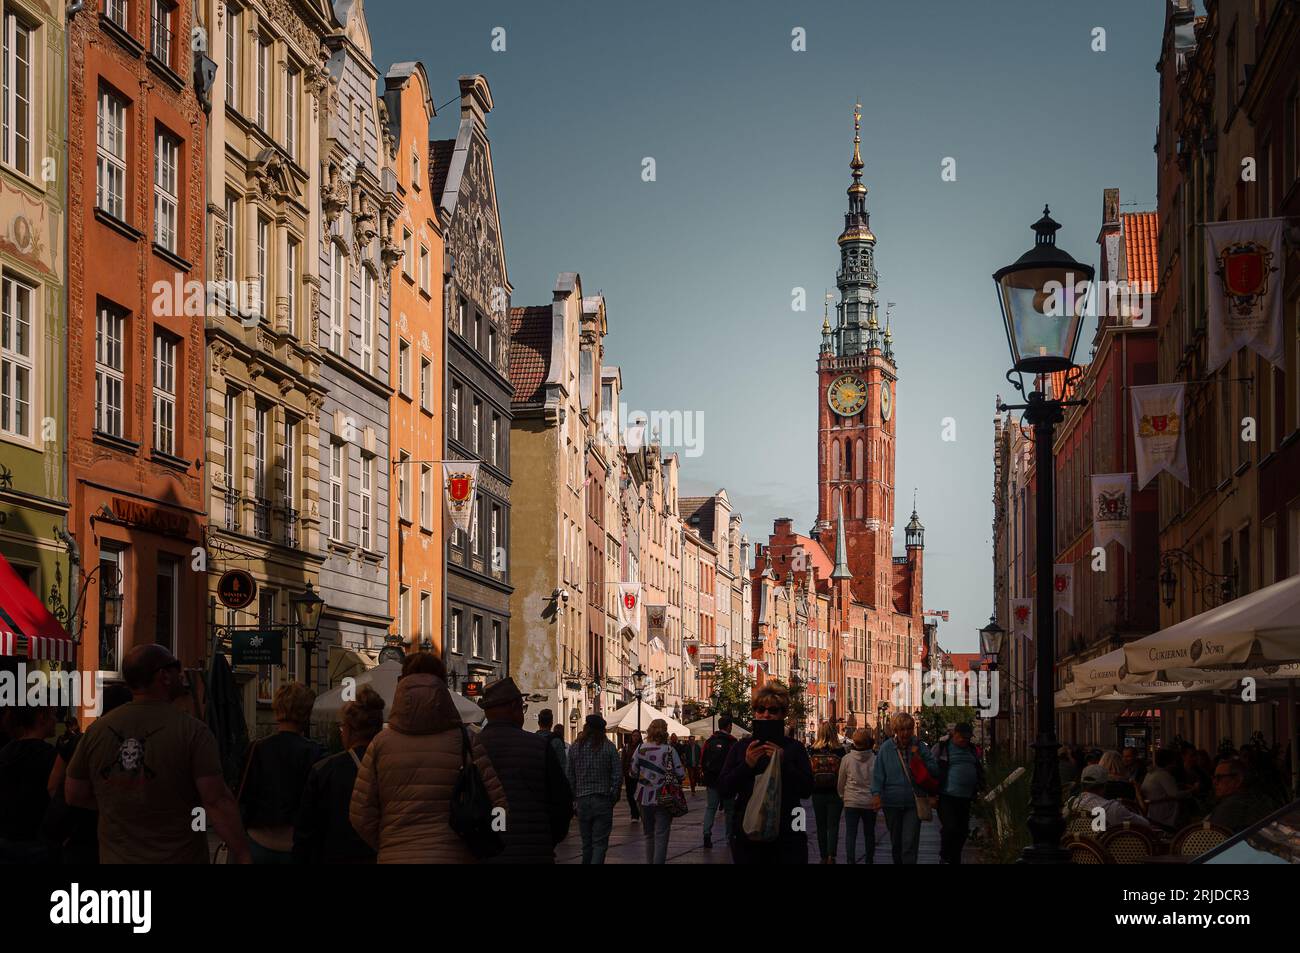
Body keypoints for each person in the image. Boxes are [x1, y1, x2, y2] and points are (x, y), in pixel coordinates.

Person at [65, 644, 251, 863]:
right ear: (163, 676)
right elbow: (216, 801)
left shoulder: (97, 731)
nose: (181, 674)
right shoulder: (192, 732)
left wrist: (118, 803)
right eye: (176, 667)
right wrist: (243, 853)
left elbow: (74, 794)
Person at [349, 651, 507, 863]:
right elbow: (499, 806)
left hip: (395, 856)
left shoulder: (380, 744)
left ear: (401, 682)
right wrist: (486, 839)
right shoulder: (466, 741)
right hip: (454, 855)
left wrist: (389, 842)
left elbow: (360, 813)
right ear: (443, 685)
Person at [476, 677, 572, 863]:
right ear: (513, 707)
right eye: (522, 707)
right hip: (534, 851)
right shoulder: (539, 746)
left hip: (487, 852)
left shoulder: (471, 748)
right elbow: (562, 802)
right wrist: (546, 839)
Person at [717, 684, 814, 864]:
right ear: (754, 712)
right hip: (749, 830)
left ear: (782, 714)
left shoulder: (794, 748)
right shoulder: (742, 747)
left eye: (773, 710)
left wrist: (784, 763)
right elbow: (724, 788)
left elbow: (806, 789)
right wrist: (746, 765)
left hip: (788, 829)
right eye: (760, 709)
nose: (766, 714)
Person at [41, 682, 134, 864]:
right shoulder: (129, 746)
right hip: (110, 835)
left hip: (76, 832)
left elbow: (53, 785)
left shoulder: (80, 741)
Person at [293, 686, 385, 864]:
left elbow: (306, 832)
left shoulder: (325, 770)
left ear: (349, 729)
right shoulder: (390, 767)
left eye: (342, 728)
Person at [238, 682, 325, 863]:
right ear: (306, 713)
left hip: (258, 840)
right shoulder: (315, 753)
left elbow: (243, 794)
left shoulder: (256, 749)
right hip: (297, 845)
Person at [871, 711, 939, 864]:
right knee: (896, 843)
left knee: (909, 843)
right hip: (891, 802)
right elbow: (878, 773)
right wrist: (876, 794)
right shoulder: (886, 748)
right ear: (896, 731)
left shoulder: (919, 747)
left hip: (914, 802)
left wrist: (920, 758)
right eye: (902, 730)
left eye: (909, 729)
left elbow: (934, 770)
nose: (906, 733)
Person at [0, 705, 58, 862]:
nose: (56, 720)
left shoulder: (5, 752)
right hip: (39, 840)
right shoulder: (51, 756)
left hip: (7, 838)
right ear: (41, 718)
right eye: (53, 715)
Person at [565, 714, 621, 864]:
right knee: (600, 844)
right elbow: (617, 775)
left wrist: (573, 798)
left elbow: (569, 775)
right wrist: (613, 797)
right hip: (602, 799)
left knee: (586, 844)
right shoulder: (609, 747)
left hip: (582, 800)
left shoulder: (575, 748)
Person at [629, 718, 685, 864]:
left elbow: (632, 772)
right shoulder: (669, 750)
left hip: (643, 796)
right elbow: (681, 774)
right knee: (661, 835)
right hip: (664, 796)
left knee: (648, 835)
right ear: (665, 731)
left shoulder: (640, 748)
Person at [934, 722, 984, 863]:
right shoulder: (943, 747)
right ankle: (945, 855)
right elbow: (931, 766)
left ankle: (955, 858)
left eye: (968, 738)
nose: (965, 740)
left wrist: (980, 788)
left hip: (966, 796)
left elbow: (978, 768)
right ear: (954, 734)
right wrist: (931, 793)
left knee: (962, 831)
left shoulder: (972, 749)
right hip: (947, 796)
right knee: (950, 827)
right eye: (963, 737)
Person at [809, 720, 846, 863]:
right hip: (835, 793)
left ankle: (823, 856)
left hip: (817, 792)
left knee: (821, 825)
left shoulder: (813, 750)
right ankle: (832, 855)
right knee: (833, 825)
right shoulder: (840, 750)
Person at [1072, 764, 1152, 831]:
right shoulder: (1113, 808)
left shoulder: (1071, 805)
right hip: (1112, 848)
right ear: (1105, 785)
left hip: (1083, 848)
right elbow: (1144, 824)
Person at [838, 728, 877, 864]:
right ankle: (869, 860)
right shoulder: (875, 759)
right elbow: (878, 782)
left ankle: (850, 860)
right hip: (869, 802)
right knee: (869, 834)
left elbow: (841, 781)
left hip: (851, 801)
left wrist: (843, 796)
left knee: (850, 834)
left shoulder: (847, 759)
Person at [1209, 757, 1277, 834]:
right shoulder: (1261, 799)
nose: (1215, 782)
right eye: (1214, 778)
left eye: (1219, 777)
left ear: (1238, 780)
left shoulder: (1232, 806)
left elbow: (1210, 837)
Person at [700, 715, 738, 849]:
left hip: (711, 780)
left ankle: (706, 834)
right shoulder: (733, 742)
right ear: (728, 726)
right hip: (727, 780)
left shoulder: (710, 741)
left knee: (711, 808)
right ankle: (729, 837)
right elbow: (737, 762)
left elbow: (702, 760)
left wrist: (706, 774)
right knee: (729, 810)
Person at [1140, 748, 1194, 832]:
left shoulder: (1150, 773)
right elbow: (1175, 794)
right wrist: (1192, 791)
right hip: (1163, 813)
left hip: (1152, 811)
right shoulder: (1164, 775)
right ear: (1170, 762)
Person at [621, 730, 642, 822]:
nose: (635, 737)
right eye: (634, 735)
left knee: (638, 794)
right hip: (628, 774)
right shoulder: (626, 747)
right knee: (630, 795)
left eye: (637, 736)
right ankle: (634, 814)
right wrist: (622, 772)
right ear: (631, 736)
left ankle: (637, 813)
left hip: (639, 775)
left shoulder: (642, 747)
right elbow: (623, 760)